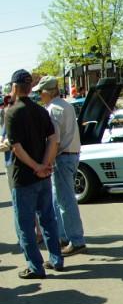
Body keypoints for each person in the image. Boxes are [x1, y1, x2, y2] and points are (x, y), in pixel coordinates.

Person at [5, 69, 64, 278]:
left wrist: (36, 166)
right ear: (31, 88)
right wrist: (45, 164)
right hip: (43, 176)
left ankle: (35, 266)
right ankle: (56, 259)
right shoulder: (40, 110)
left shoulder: (12, 112)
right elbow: (53, 140)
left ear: (14, 87)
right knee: (49, 219)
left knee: (26, 225)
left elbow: (16, 147)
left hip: (24, 177)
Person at [35, 76, 86, 256]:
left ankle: (76, 240)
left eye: (40, 92)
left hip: (63, 158)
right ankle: (65, 236)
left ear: (48, 92)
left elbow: (54, 140)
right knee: (60, 199)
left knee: (65, 201)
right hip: (70, 155)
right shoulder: (66, 105)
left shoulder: (53, 109)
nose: (39, 96)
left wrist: (46, 162)